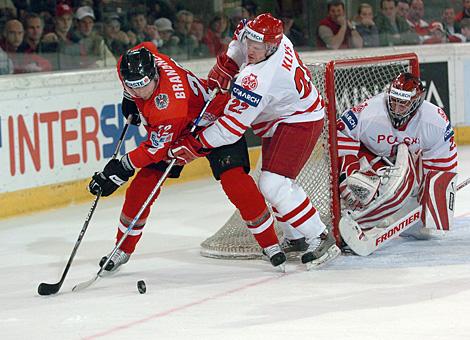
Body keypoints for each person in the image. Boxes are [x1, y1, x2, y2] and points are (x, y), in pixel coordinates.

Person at [88, 42, 290, 272]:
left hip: (213, 122)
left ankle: (270, 244)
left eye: (143, 87)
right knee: (140, 189)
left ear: (154, 75)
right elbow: (147, 45)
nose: (140, 93)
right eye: (132, 87)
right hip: (177, 129)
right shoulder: (131, 64)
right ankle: (122, 248)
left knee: (236, 182)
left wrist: (118, 169)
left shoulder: (169, 106)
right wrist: (129, 98)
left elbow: (155, 150)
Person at [169, 13, 341, 269]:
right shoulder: (270, 39)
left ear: (271, 46)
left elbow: (230, 130)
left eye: (256, 48)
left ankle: (320, 236)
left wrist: (195, 145)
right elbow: (239, 41)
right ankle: (295, 237)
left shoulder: (257, 79)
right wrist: (228, 62)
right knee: (274, 184)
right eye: (250, 43)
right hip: (282, 116)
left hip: (300, 120)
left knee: (273, 184)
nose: (250, 50)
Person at [336, 73, 457, 253]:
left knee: (418, 227)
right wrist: (349, 174)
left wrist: (433, 200)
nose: (397, 108)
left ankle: (366, 219)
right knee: (365, 191)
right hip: (370, 156)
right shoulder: (370, 112)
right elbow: (341, 134)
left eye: (404, 103)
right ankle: (356, 218)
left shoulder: (435, 122)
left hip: (406, 161)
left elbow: (442, 164)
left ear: (416, 103)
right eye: (394, 100)